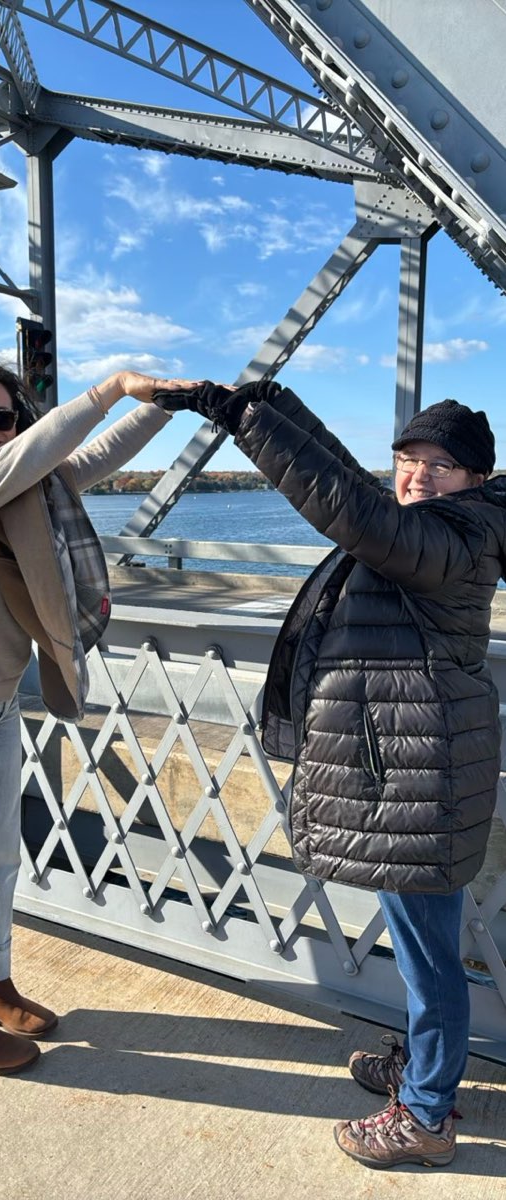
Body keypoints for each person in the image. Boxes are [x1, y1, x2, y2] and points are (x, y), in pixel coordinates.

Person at [153, 380, 505, 1170]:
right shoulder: (433, 523)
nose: (416, 475)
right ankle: (421, 1072)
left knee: (429, 956)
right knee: (426, 945)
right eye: (407, 459)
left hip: (421, 776)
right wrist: (271, 399)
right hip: (405, 769)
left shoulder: (457, 537)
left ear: (475, 479)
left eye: (440, 464)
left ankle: (426, 1116)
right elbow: (348, 476)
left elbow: (350, 507)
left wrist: (240, 419)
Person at [0, 356, 196, 1076]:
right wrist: (112, 387)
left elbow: (81, 457)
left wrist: (163, 406)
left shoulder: (22, 491)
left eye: (3, 418)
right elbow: (31, 457)